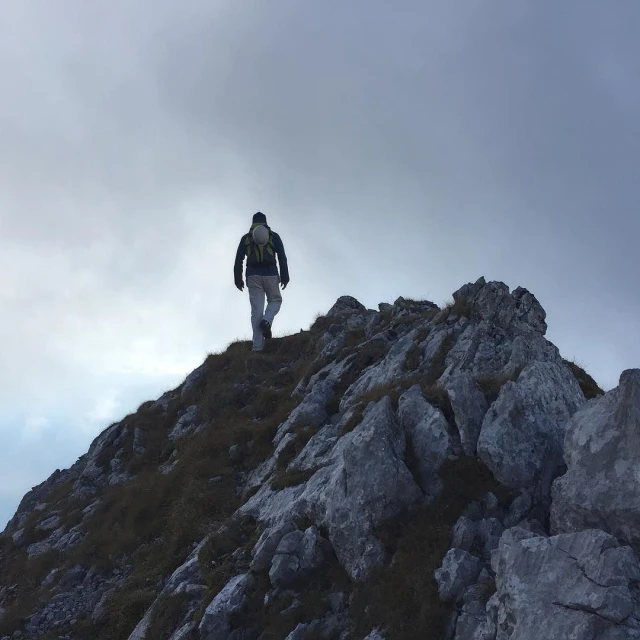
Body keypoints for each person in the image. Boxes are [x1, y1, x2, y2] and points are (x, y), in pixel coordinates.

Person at [234, 212, 290, 352]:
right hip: (271, 274)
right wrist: (285, 275)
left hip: (252, 276)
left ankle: (257, 347)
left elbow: (238, 260)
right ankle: (267, 321)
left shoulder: (246, 238)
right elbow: (282, 256)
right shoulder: (273, 236)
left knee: (256, 311)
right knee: (275, 300)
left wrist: (238, 279)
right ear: (265, 221)